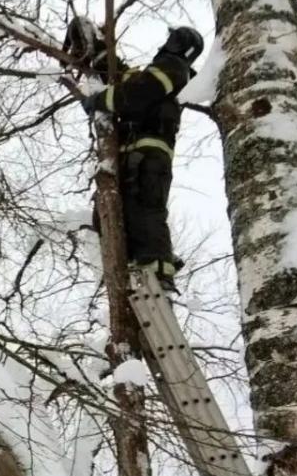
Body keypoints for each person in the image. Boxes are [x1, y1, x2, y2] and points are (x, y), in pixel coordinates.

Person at [64, 20, 205, 292]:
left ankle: (159, 272)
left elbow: (137, 93)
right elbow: (126, 79)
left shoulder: (174, 69)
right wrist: (99, 51)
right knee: (120, 212)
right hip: (137, 154)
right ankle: (138, 260)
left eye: (172, 40)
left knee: (145, 209)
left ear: (179, 46)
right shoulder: (161, 72)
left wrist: (98, 101)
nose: (165, 44)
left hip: (148, 155)